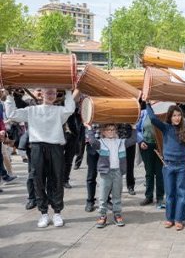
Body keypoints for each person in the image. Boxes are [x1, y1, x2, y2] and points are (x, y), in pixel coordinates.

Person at [5, 88, 75, 228]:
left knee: (57, 179)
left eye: (53, 93)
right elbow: (12, 114)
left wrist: (68, 91)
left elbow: (70, 108)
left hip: (55, 147)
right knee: (38, 179)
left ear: (56, 95)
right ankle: (43, 213)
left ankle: (57, 213)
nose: (50, 95)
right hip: (37, 147)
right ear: (41, 94)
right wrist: (9, 97)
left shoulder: (60, 111)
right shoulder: (32, 110)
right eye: (48, 92)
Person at [145, 102, 185, 231]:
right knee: (170, 194)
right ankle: (169, 218)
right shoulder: (166, 128)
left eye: (179, 115)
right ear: (170, 117)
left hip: (181, 166)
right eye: (174, 115)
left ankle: (179, 219)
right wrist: (147, 104)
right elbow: (153, 118)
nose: (177, 118)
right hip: (168, 166)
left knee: (182, 194)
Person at [85, 123, 137, 228]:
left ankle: (117, 214)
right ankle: (102, 215)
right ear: (103, 132)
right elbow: (92, 141)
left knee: (117, 195)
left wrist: (134, 128)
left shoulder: (121, 142)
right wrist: (89, 129)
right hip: (105, 173)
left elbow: (133, 140)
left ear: (116, 132)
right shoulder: (101, 142)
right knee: (103, 196)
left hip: (117, 172)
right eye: (108, 130)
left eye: (113, 130)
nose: (111, 132)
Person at [136, 106, 165, 208]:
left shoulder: (163, 111)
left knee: (160, 173)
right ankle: (148, 196)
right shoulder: (143, 113)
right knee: (149, 172)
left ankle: (160, 197)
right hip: (146, 146)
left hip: (160, 146)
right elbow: (137, 129)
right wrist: (141, 141)